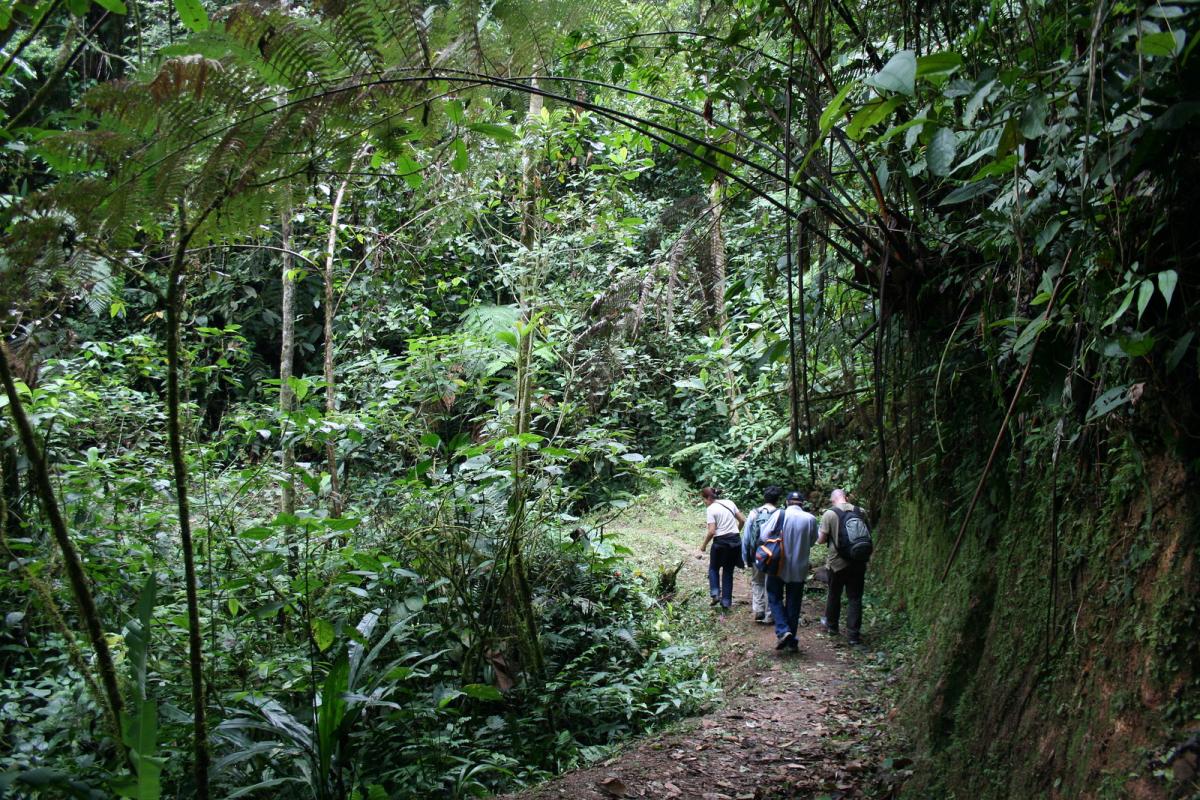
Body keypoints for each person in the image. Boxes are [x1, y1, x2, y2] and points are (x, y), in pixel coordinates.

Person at [760, 491, 817, 650]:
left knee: (774, 596)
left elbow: (764, 535)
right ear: (802, 504)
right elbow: (813, 541)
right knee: (794, 602)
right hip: (799, 568)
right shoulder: (810, 519)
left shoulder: (779, 514)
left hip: (778, 564)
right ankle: (791, 641)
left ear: (786, 502)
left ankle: (783, 630)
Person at [818, 488, 868, 645]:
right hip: (858, 561)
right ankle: (853, 635)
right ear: (846, 497)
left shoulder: (829, 514)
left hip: (837, 563)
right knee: (855, 598)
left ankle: (832, 626)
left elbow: (821, 539)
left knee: (834, 594)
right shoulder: (861, 511)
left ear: (833, 500)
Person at [698, 487, 745, 610]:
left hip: (721, 543)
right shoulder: (729, 503)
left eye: (704, 499)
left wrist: (703, 546)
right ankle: (726, 602)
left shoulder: (711, 509)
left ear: (708, 498)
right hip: (735, 542)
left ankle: (715, 593)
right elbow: (742, 520)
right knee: (728, 571)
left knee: (713, 568)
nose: (704, 502)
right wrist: (736, 533)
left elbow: (711, 531)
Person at [741, 486, 782, 624]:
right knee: (770, 583)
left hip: (756, 553)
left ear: (764, 497)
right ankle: (770, 614)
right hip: (773, 554)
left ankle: (759, 609)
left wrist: (745, 556)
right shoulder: (780, 514)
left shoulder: (754, 513)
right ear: (777, 499)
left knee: (757, 581)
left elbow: (746, 537)